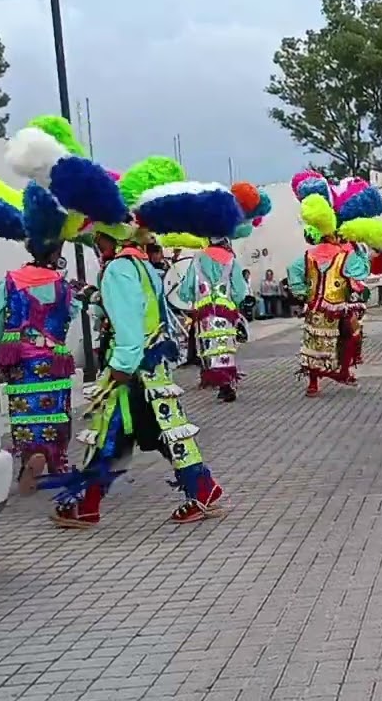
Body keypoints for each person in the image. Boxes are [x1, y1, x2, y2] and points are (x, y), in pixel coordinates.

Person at [44, 152, 240, 525]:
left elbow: (129, 325)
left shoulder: (118, 268)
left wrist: (118, 369)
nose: (96, 243)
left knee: (116, 433)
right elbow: (147, 309)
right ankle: (94, 504)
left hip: (132, 370)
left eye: (98, 237)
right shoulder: (141, 264)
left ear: (107, 238)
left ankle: (91, 505)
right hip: (152, 368)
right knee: (138, 435)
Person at [0, 119, 128, 503]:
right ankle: (55, 460)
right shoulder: (62, 286)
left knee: (24, 411)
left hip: (21, 359)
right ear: (57, 252)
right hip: (53, 357)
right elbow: (71, 316)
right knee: (55, 411)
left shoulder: (9, 280)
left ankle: (29, 455)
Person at [288, 171, 382, 396]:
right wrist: (367, 253)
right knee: (351, 336)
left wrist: (302, 292)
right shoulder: (345, 255)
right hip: (339, 306)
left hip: (315, 306)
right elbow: (361, 273)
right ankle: (344, 372)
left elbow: (293, 271)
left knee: (315, 344)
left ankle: (314, 384)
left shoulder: (309, 255)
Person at [177, 236, 248, 401]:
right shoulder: (231, 260)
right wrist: (236, 301)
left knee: (208, 346)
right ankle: (226, 383)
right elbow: (239, 290)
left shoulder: (198, 259)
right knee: (224, 345)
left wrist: (189, 298)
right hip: (225, 311)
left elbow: (186, 289)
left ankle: (217, 380)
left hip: (205, 311)